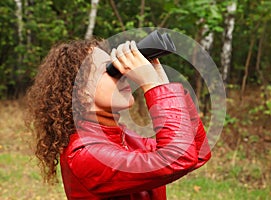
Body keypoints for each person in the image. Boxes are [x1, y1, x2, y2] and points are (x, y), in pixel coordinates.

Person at [25, 38, 211, 200]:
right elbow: (179, 158)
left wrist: (162, 82)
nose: (123, 75)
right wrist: (152, 85)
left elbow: (197, 153)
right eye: (110, 70)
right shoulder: (85, 154)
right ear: (81, 93)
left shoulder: (124, 138)